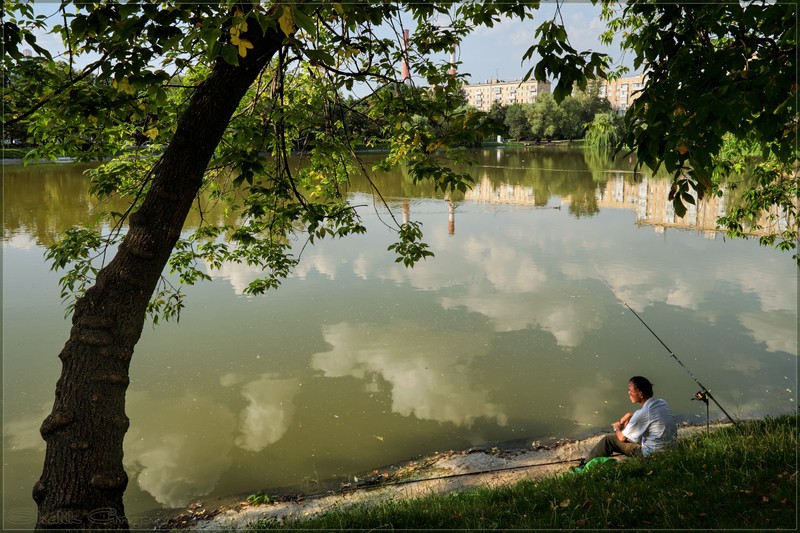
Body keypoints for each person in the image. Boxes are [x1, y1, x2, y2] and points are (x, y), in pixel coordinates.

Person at [586, 376, 677, 460]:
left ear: (640, 394)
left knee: (608, 440)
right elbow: (650, 416)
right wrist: (631, 415)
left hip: (652, 456)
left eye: (631, 391)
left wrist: (617, 427)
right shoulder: (662, 403)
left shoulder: (642, 413)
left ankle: (585, 465)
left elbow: (622, 438)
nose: (629, 393)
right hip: (671, 451)